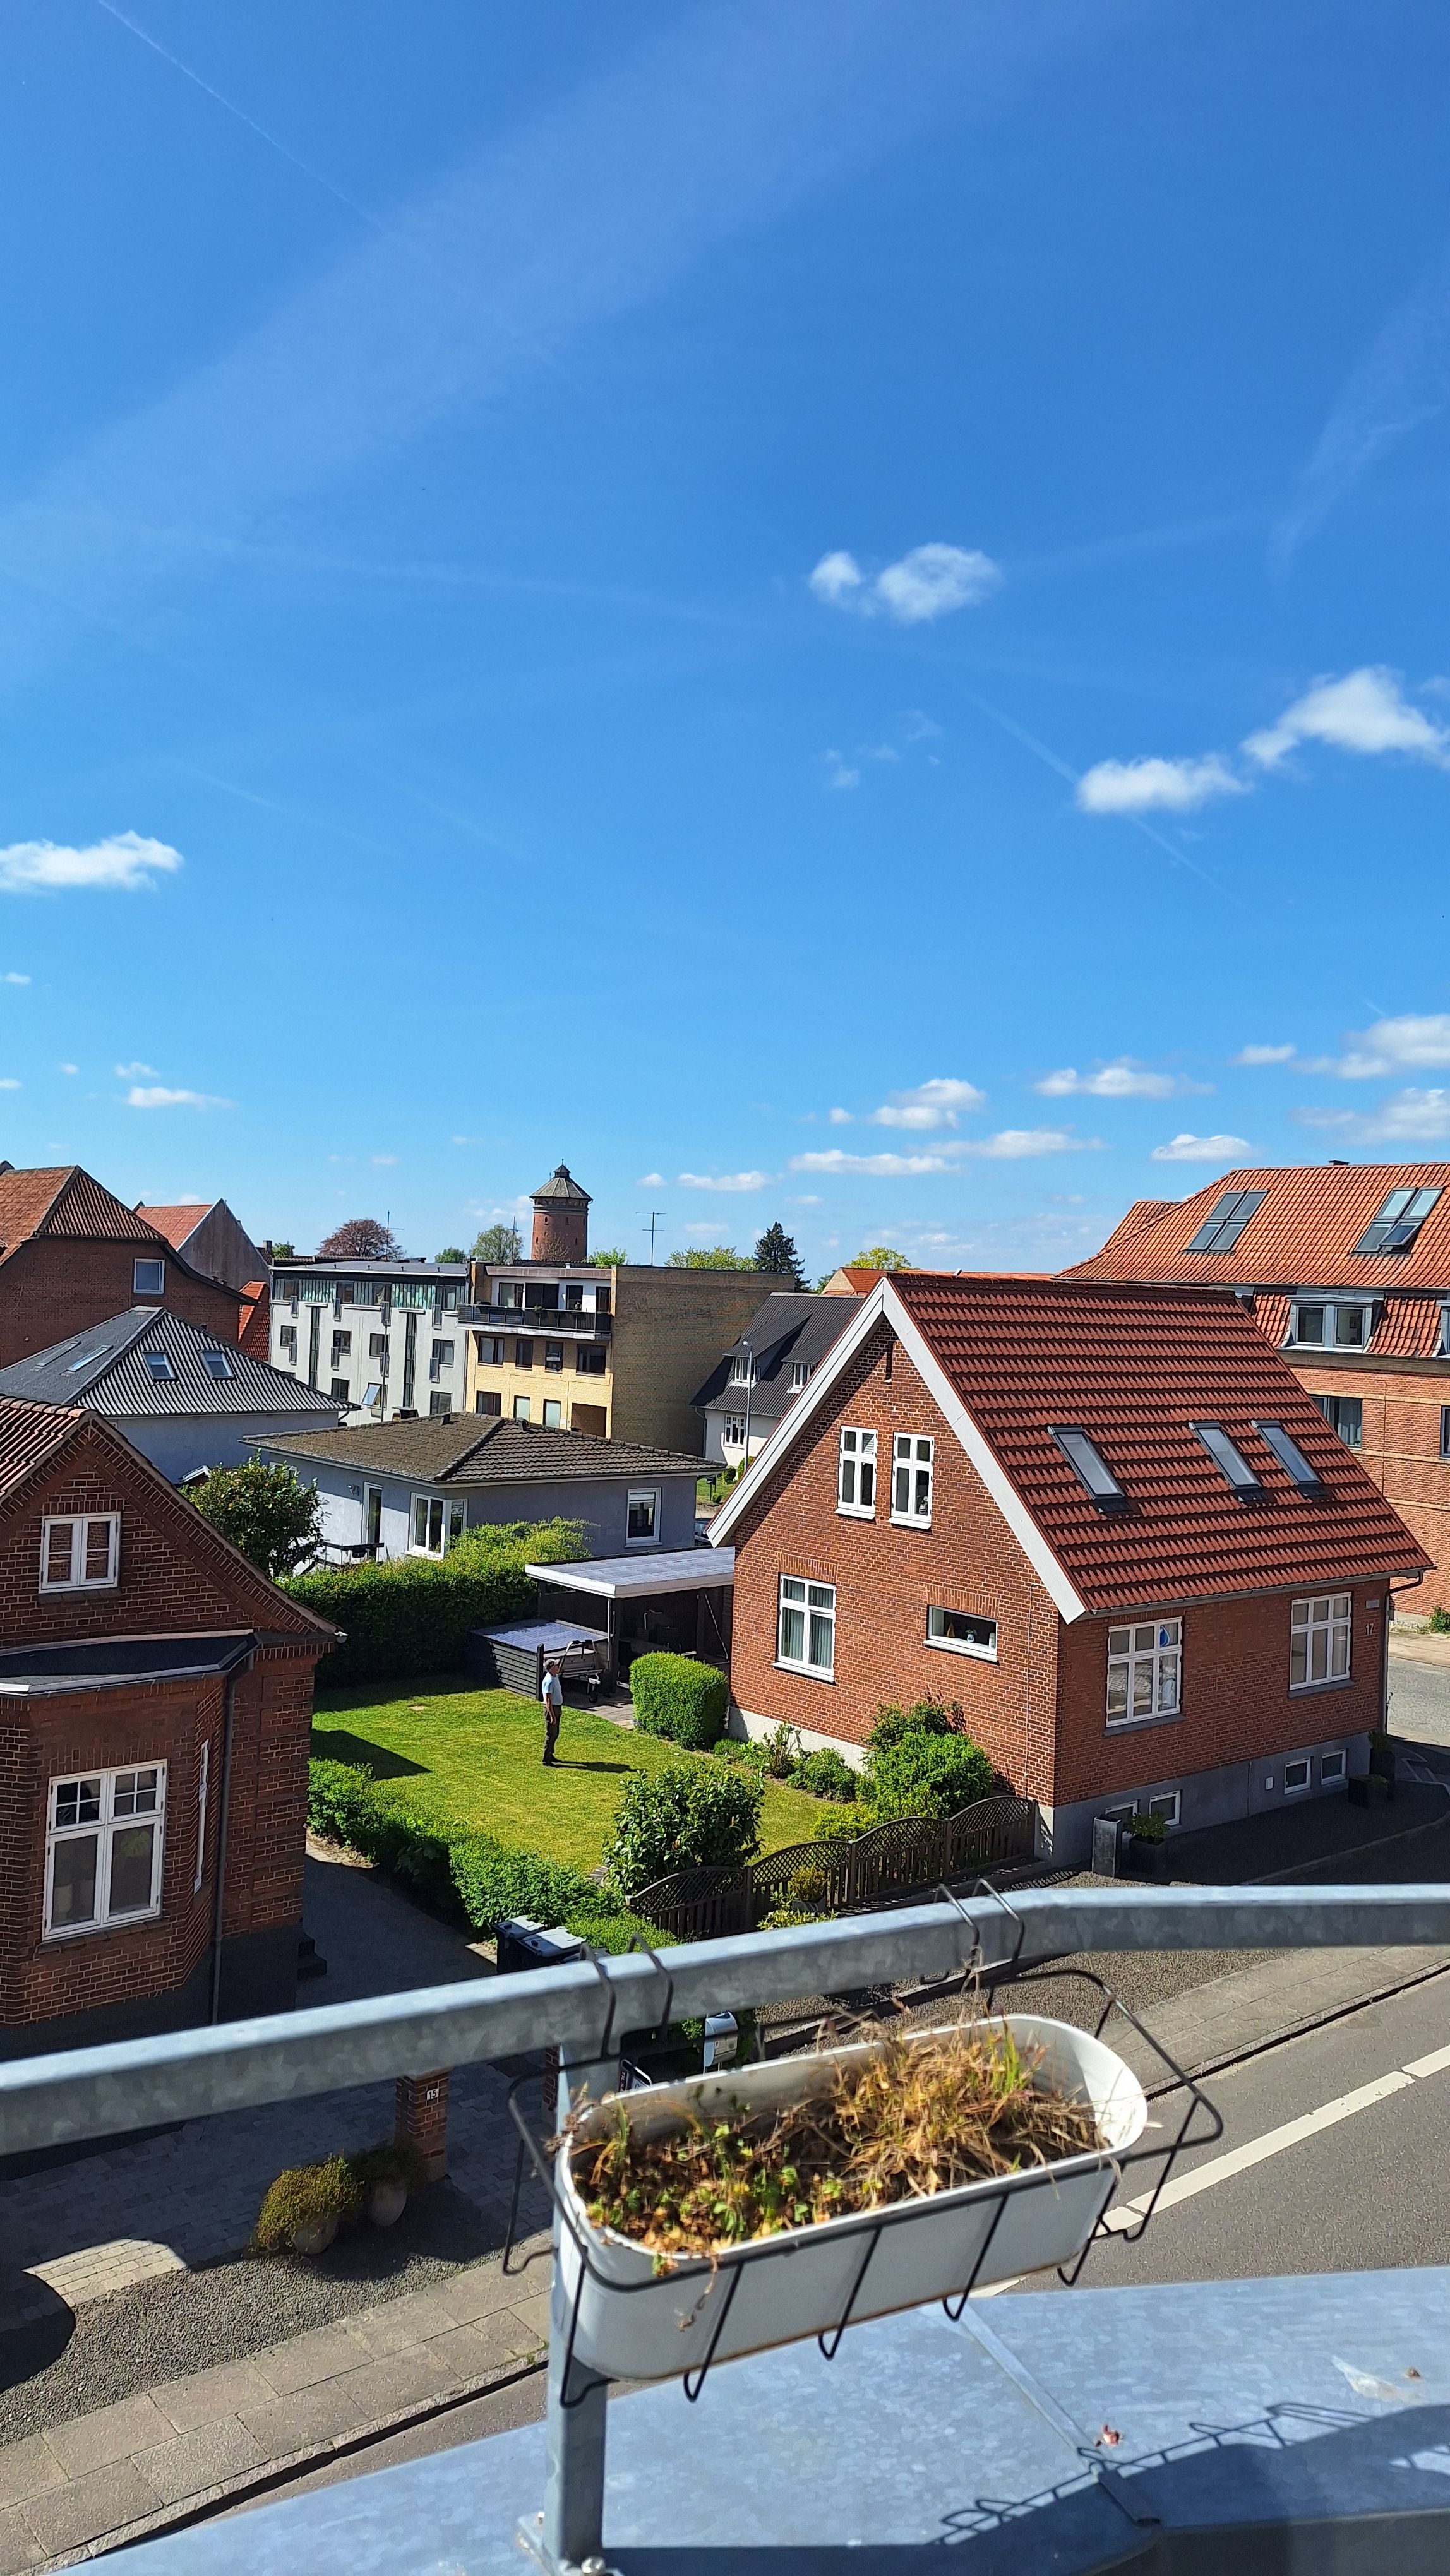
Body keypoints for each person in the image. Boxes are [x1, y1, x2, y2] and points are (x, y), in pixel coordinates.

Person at [541, 1656, 564, 1766]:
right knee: (551, 1734)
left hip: (557, 1708)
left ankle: (551, 1754)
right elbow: (548, 1700)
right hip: (552, 1709)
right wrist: (552, 1715)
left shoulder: (555, 1677)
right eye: (556, 1665)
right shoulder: (549, 1681)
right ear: (551, 1668)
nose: (558, 1666)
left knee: (556, 1734)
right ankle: (546, 1759)